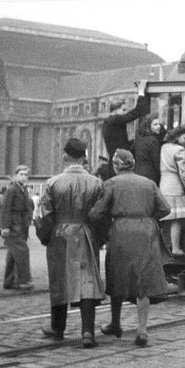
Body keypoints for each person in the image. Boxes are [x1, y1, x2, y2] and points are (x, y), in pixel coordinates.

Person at [90, 149, 172, 347]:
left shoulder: (111, 184)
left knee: (118, 275)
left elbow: (97, 213)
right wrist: (149, 218)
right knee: (143, 280)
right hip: (146, 231)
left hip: (121, 231)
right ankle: (142, 331)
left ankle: (115, 323)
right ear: (133, 164)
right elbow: (165, 208)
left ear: (116, 166)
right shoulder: (148, 183)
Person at [38, 138, 106, 346]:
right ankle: (88, 332)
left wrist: (45, 236)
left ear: (65, 156)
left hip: (60, 235)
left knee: (59, 282)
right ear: (85, 157)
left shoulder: (53, 182)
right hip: (85, 233)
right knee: (87, 281)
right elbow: (102, 215)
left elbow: (45, 215)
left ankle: (57, 329)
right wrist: (99, 238)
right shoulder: (96, 182)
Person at [102, 80, 149, 177]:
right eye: (123, 110)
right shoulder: (115, 120)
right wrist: (141, 92)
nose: (125, 113)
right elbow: (137, 112)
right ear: (115, 110)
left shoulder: (108, 122)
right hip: (121, 161)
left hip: (114, 160)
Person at [159, 124, 185, 257]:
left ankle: (163, 247)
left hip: (164, 184)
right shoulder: (180, 150)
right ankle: (176, 248)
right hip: (175, 186)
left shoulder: (164, 147)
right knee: (178, 219)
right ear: (178, 137)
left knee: (166, 218)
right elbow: (183, 173)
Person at [1, 166, 35, 290]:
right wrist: (5, 227)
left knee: (13, 253)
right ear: (15, 175)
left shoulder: (24, 189)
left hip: (22, 224)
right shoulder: (11, 189)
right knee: (22, 251)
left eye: (26, 174)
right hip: (14, 224)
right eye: (21, 174)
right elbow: (5, 208)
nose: (24, 176)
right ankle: (24, 280)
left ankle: (8, 281)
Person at [132, 116, 165, 185]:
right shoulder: (153, 141)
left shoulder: (138, 139)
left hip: (137, 173)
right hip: (150, 175)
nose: (159, 126)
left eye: (159, 124)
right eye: (155, 124)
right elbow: (156, 161)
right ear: (148, 126)